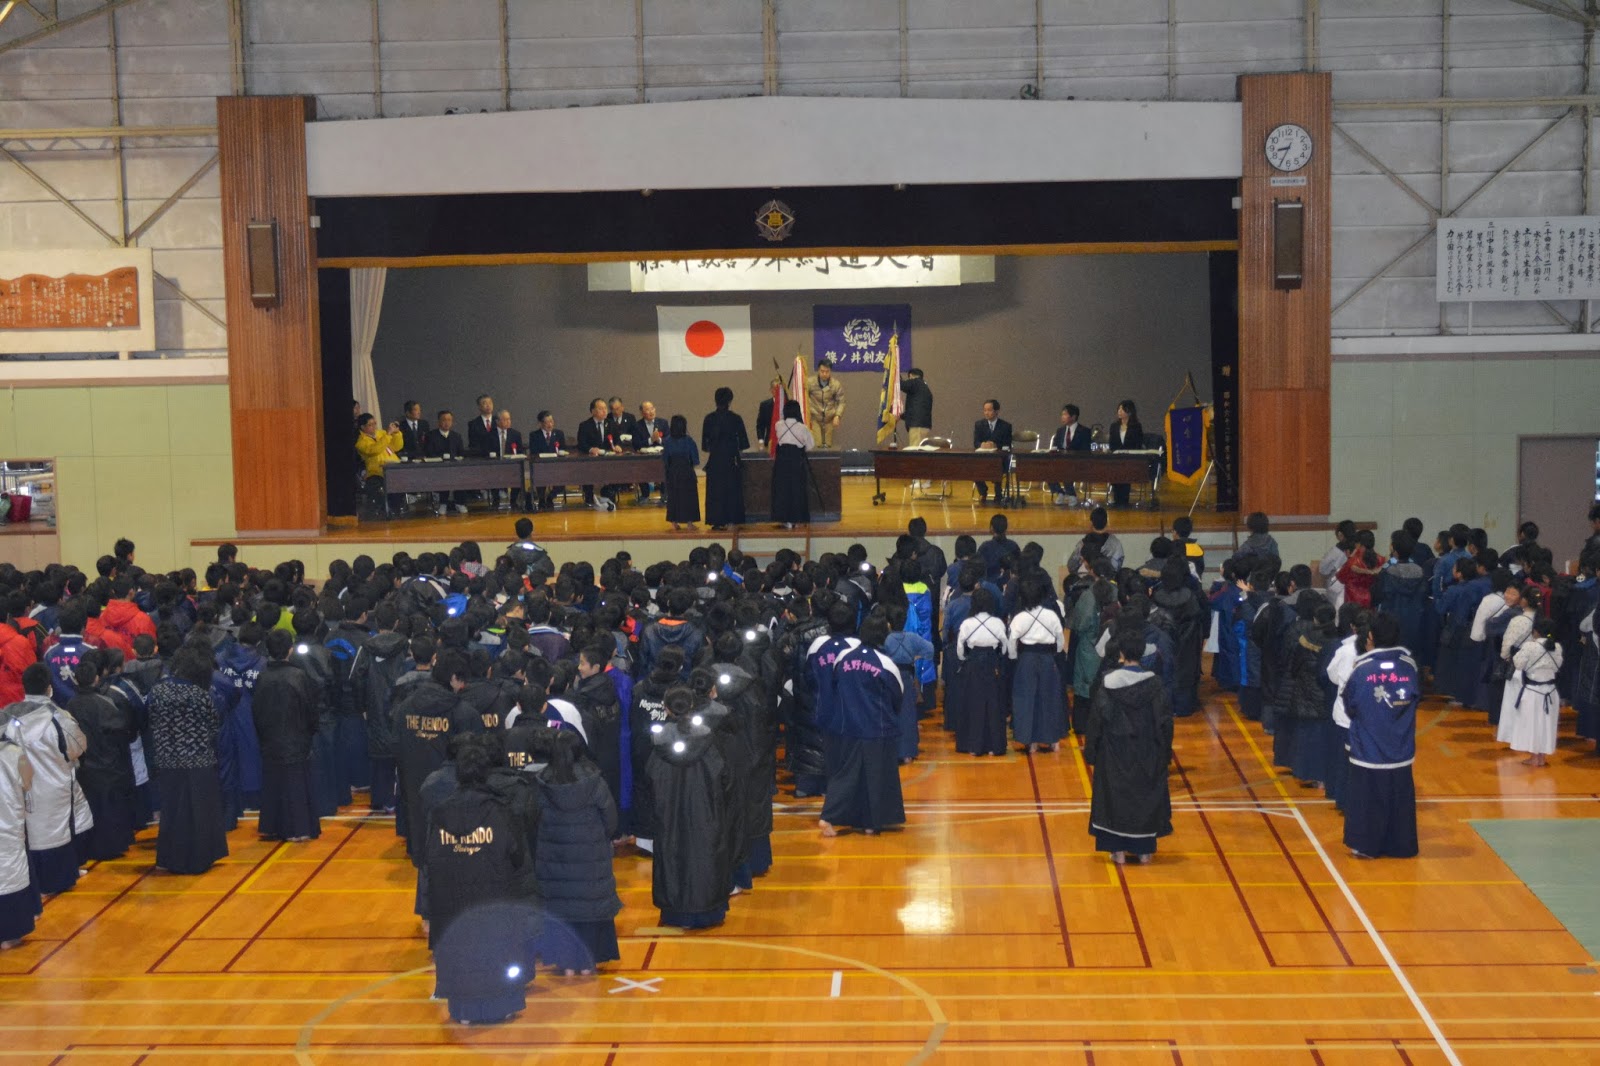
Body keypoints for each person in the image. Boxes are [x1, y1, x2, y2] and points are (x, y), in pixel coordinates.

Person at [423, 735, 538, 1026]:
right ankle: (502, 1006)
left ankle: (463, 1011)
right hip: (493, 893)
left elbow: (429, 859)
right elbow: (516, 853)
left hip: (451, 897)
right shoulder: (500, 810)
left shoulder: (440, 813)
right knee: (495, 951)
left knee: (460, 952)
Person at [533, 729, 622, 977]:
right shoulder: (594, 782)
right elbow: (611, 820)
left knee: (562, 911)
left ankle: (566, 962)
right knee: (590, 909)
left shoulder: (542, 783)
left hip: (554, 862)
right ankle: (588, 961)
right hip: (590, 859)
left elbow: (533, 819)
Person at [1085, 628, 1174, 865]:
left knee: (1114, 799)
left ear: (1121, 653)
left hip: (1114, 752)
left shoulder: (1108, 684)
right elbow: (1165, 722)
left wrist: (1091, 752)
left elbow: (1097, 719)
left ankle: (1118, 851)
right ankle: (1144, 850)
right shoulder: (1155, 685)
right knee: (1144, 797)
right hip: (1147, 752)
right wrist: (1165, 754)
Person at [649, 686, 733, 928]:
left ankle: (677, 912)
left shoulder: (658, 744)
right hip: (706, 813)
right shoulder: (709, 740)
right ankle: (708, 911)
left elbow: (647, 781)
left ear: (665, 709)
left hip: (668, 816)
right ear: (692, 708)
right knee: (705, 857)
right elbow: (725, 779)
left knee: (672, 858)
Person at [3, 663, 91, 894]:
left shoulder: (8, 717)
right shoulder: (58, 718)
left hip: (23, 787)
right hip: (54, 785)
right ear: (49, 688)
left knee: (29, 835)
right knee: (58, 833)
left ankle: (36, 883)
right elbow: (78, 746)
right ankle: (59, 880)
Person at [816, 611, 905, 837]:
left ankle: (832, 817)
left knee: (845, 773)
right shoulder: (885, 662)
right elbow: (898, 694)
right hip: (877, 727)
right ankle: (869, 824)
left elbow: (835, 686)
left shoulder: (842, 658)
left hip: (846, 726)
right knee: (875, 776)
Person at [1340, 614, 1420, 859]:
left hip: (1369, 747)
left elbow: (1350, 704)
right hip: (1400, 746)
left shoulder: (1363, 669)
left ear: (1371, 637)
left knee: (1368, 799)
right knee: (1399, 798)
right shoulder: (1410, 666)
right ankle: (1401, 846)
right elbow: (1416, 698)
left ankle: (1366, 846)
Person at [147, 643, 229, 874]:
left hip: (166, 760)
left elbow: (149, 718)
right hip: (198, 761)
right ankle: (197, 859)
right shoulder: (201, 695)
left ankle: (168, 858)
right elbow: (214, 722)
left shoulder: (158, 691)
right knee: (199, 812)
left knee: (172, 811)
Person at [64, 653, 138, 861]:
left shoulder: (70, 706)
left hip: (84, 767)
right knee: (110, 810)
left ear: (76, 680)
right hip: (108, 766)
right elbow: (121, 731)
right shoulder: (105, 703)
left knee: (88, 811)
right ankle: (112, 847)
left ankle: (90, 848)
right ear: (97, 678)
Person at [252, 628, 323, 842]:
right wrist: (310, 731)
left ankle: (272, 825)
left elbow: (256, 710)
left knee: (274, 783)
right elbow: (310, 710)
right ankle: (298, 827)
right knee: (295, 785)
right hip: (295, 739)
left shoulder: (263, 677)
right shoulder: (298, 676)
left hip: (270, 739)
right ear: (290, 650)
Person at [1008, 570, 1066, 753]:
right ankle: (1053, 740)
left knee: (1025, 698)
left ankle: (1030, 741)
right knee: (1049, 697)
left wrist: (1013, 657)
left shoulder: (1019, 618)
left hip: (1026, 658)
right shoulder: (1051, 616)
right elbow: (1060, 639)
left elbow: (1011, 641)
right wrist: (1054, 654)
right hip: (1048, 658)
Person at [1498, 616, 1562, 767]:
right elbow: (1557, 666)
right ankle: (1541, 757)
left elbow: (1518, 663)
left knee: (1532, 724)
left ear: (1535, 631)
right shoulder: (1557, 647)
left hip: (1534, 691)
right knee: (1547, 725)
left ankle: (1534, 757)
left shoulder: (1530, 646)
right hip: (1551, 692)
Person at [953, 588, 1009, 757]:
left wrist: (966, 658)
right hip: (992, 664)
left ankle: (973, 746)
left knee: (973, 703)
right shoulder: (998, 623)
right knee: (993, 704)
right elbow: (1005, 647)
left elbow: (960, 650)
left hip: (973, 663)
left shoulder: (967, 623)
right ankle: (994, 746)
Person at [0, 721, 35, 950]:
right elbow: (27, 782)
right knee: (11, 872)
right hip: (8, 821)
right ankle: (9, 934)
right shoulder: (13, 753)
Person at [700, 387, 750, 531]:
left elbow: (705, 446)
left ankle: (717, 521)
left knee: (715, 492)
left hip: (715, 461)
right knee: (732, 491)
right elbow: (744, 444)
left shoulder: (709, 419)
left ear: (715, 400)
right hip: (731, 460)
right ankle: (732, 520)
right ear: (730, 401)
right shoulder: (736, 419)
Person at [771, 400, 815, 530]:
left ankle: (784, 518)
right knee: (797, 489)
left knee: (782, 489)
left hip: (781, 462)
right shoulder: (802, 427)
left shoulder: (778, 425)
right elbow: (810, 445)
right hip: (796, 461)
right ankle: (797, 518)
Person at [355, 413, 406, 514]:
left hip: (392, 467)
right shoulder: (361, 442)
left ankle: (397, 508)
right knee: (377, 487)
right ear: (362, 427)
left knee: (401, 483)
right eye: (370, 425)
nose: (374, 427)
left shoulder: (382, 433)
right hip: (376, 472)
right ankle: (386, 509)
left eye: (375, 423)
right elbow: (375, 450)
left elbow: (397, 446)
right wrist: (387, 435)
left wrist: (396, 433)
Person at [423, 409, 470, 515]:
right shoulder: (431, 435)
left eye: (449, 420)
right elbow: (429, 452)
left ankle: (460, 503)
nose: (447, 422)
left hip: (454, 467)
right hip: (437, 467)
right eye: (444, 420)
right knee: (443, 476)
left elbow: (461, 452)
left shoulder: (456, 436)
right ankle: (443, 503)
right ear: (438, 422)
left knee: (461, 475)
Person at [576, 398, 617, 511]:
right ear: (593, 411)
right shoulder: (585, 425)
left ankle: (609, 496)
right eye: (600, 409)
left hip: (608, 459)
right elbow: (581, 444)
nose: (604, 411)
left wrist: (618, 446)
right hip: (591, 460)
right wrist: (590, 449)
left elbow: (617, 440)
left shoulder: (611, 424)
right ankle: (589, 498)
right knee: (588, 473)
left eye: (605, 408)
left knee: (617, 470)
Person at [662, 414, 700, 532]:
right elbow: (695, 460)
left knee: (673, 497)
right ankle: (689, 523)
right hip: (687, 472)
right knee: (689, 497)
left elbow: (665, 459)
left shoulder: (667, 441)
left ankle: (674, 523)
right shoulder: (689, 441)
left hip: (672, 473)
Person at [1048, 404, 1092, 503]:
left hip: (1077, 462)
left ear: (1073, 417)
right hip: (1061, 460)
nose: (1062, 417)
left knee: (1066, 466)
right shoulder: (1060, 431)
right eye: (1062, 414)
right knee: (1047, 468)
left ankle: (1071, 494)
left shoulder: (1084, 431)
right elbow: (1055, 446)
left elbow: (1085, 449)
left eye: (1065, 414)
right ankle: (1059, 492)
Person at [972, 399, 1012, 504]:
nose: (986, 413)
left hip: (999, 459)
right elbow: (976, 442)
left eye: (989, 410)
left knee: (997, 466)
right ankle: (983, 492)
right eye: (985, 410)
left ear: (996, 411)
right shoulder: (979, 424)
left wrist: (995, 445)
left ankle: (998, 494)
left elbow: (1007, 444)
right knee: (973, 467)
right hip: (983, 458)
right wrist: (982, 445)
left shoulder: (1005, 426)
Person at [1106, 400, 1145, 507]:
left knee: (1126, 474)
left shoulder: (1136, 426)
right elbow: (1112, 443)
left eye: (1122, 409)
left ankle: (1124, 500)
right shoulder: (1114, 426)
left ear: (1129, 411)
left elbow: (1138, 443)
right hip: (1116, 457)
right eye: (1119, 409)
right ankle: (1116, 498)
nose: (1119, 411)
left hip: (1130, 457)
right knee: (1115, 471)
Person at [528, 410, 567, 511]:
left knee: (564, 477)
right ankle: (541, 500)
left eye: (551, 421)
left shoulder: (559, 434)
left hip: (556, 465)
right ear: (540, 424)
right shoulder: (534, 435)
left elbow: (563, 449)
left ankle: (550, 497)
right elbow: (533, 451)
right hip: (541, 466)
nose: (550, 424)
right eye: (547, 422)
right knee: (540, 477)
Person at [485, 411, 525, 511]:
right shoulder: (490, 435)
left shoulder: (515, 434)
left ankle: (513, 500)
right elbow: (486, 451)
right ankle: (496, 500)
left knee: (518, 474)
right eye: (505, 419)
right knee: (493, 475)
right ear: (497, 421)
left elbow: (520, 451)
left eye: (509, 419)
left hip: (511, 465)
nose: (508, 422)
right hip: (495, 465)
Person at [1068, 507, 1125, 572]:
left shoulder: (1082, 544)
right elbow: (1117, 567)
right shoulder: (1116, 543)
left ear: (1091, 523)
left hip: (1088, 579)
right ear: (1106, 522)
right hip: (1108, 579)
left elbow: (1071, 566)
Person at [634, 400, 669, 503]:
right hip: (644, 458)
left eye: (652, 408)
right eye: (647, 409)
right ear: (641, 412)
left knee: (666, 468)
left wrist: (659, 440)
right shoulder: (637, 425)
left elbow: (668, 439)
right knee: (639, 469)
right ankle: (645, 494)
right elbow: (636, 444)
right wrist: (651, 440)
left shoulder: (663, 422)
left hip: (660, 456)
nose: (651, 411)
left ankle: (665, 495)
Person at [807, 360, 845, 448]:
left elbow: (841, 402)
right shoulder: (810, 382)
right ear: (818, 370)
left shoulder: (835, 384)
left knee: (828, 446)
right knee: (817, 445)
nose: (824, 374)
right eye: (822, 371)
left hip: (829, 419)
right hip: (814, 418)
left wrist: (837, 416)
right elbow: (804, 398)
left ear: (830, 371)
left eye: (827, 372)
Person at [899, 367, 933, 446]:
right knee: (921, 452)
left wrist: (895, 375)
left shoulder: (915, 382)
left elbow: (902, 385)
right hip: (925, 425)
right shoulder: (925, 388)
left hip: (917, 426)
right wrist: (901, 416)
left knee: (915, 452)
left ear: (910, 376)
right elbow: (916, 408)